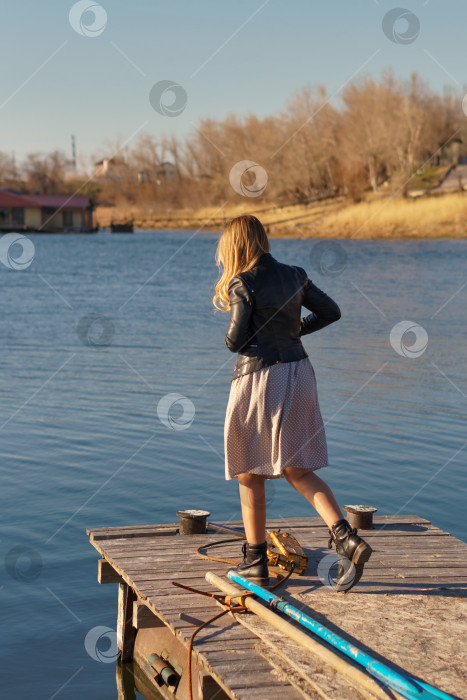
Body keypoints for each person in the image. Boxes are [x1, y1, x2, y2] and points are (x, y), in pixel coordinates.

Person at [213, 214, 372, 592]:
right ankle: (346, 538)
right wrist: (295, 329)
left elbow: (235, 342)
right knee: (298, 469)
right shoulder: (295, 274)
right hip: (300, 373)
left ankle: (255, 563)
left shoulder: (242, 282)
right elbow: (331, 311)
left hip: (259, 378)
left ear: (235, 248)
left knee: (249, 473)